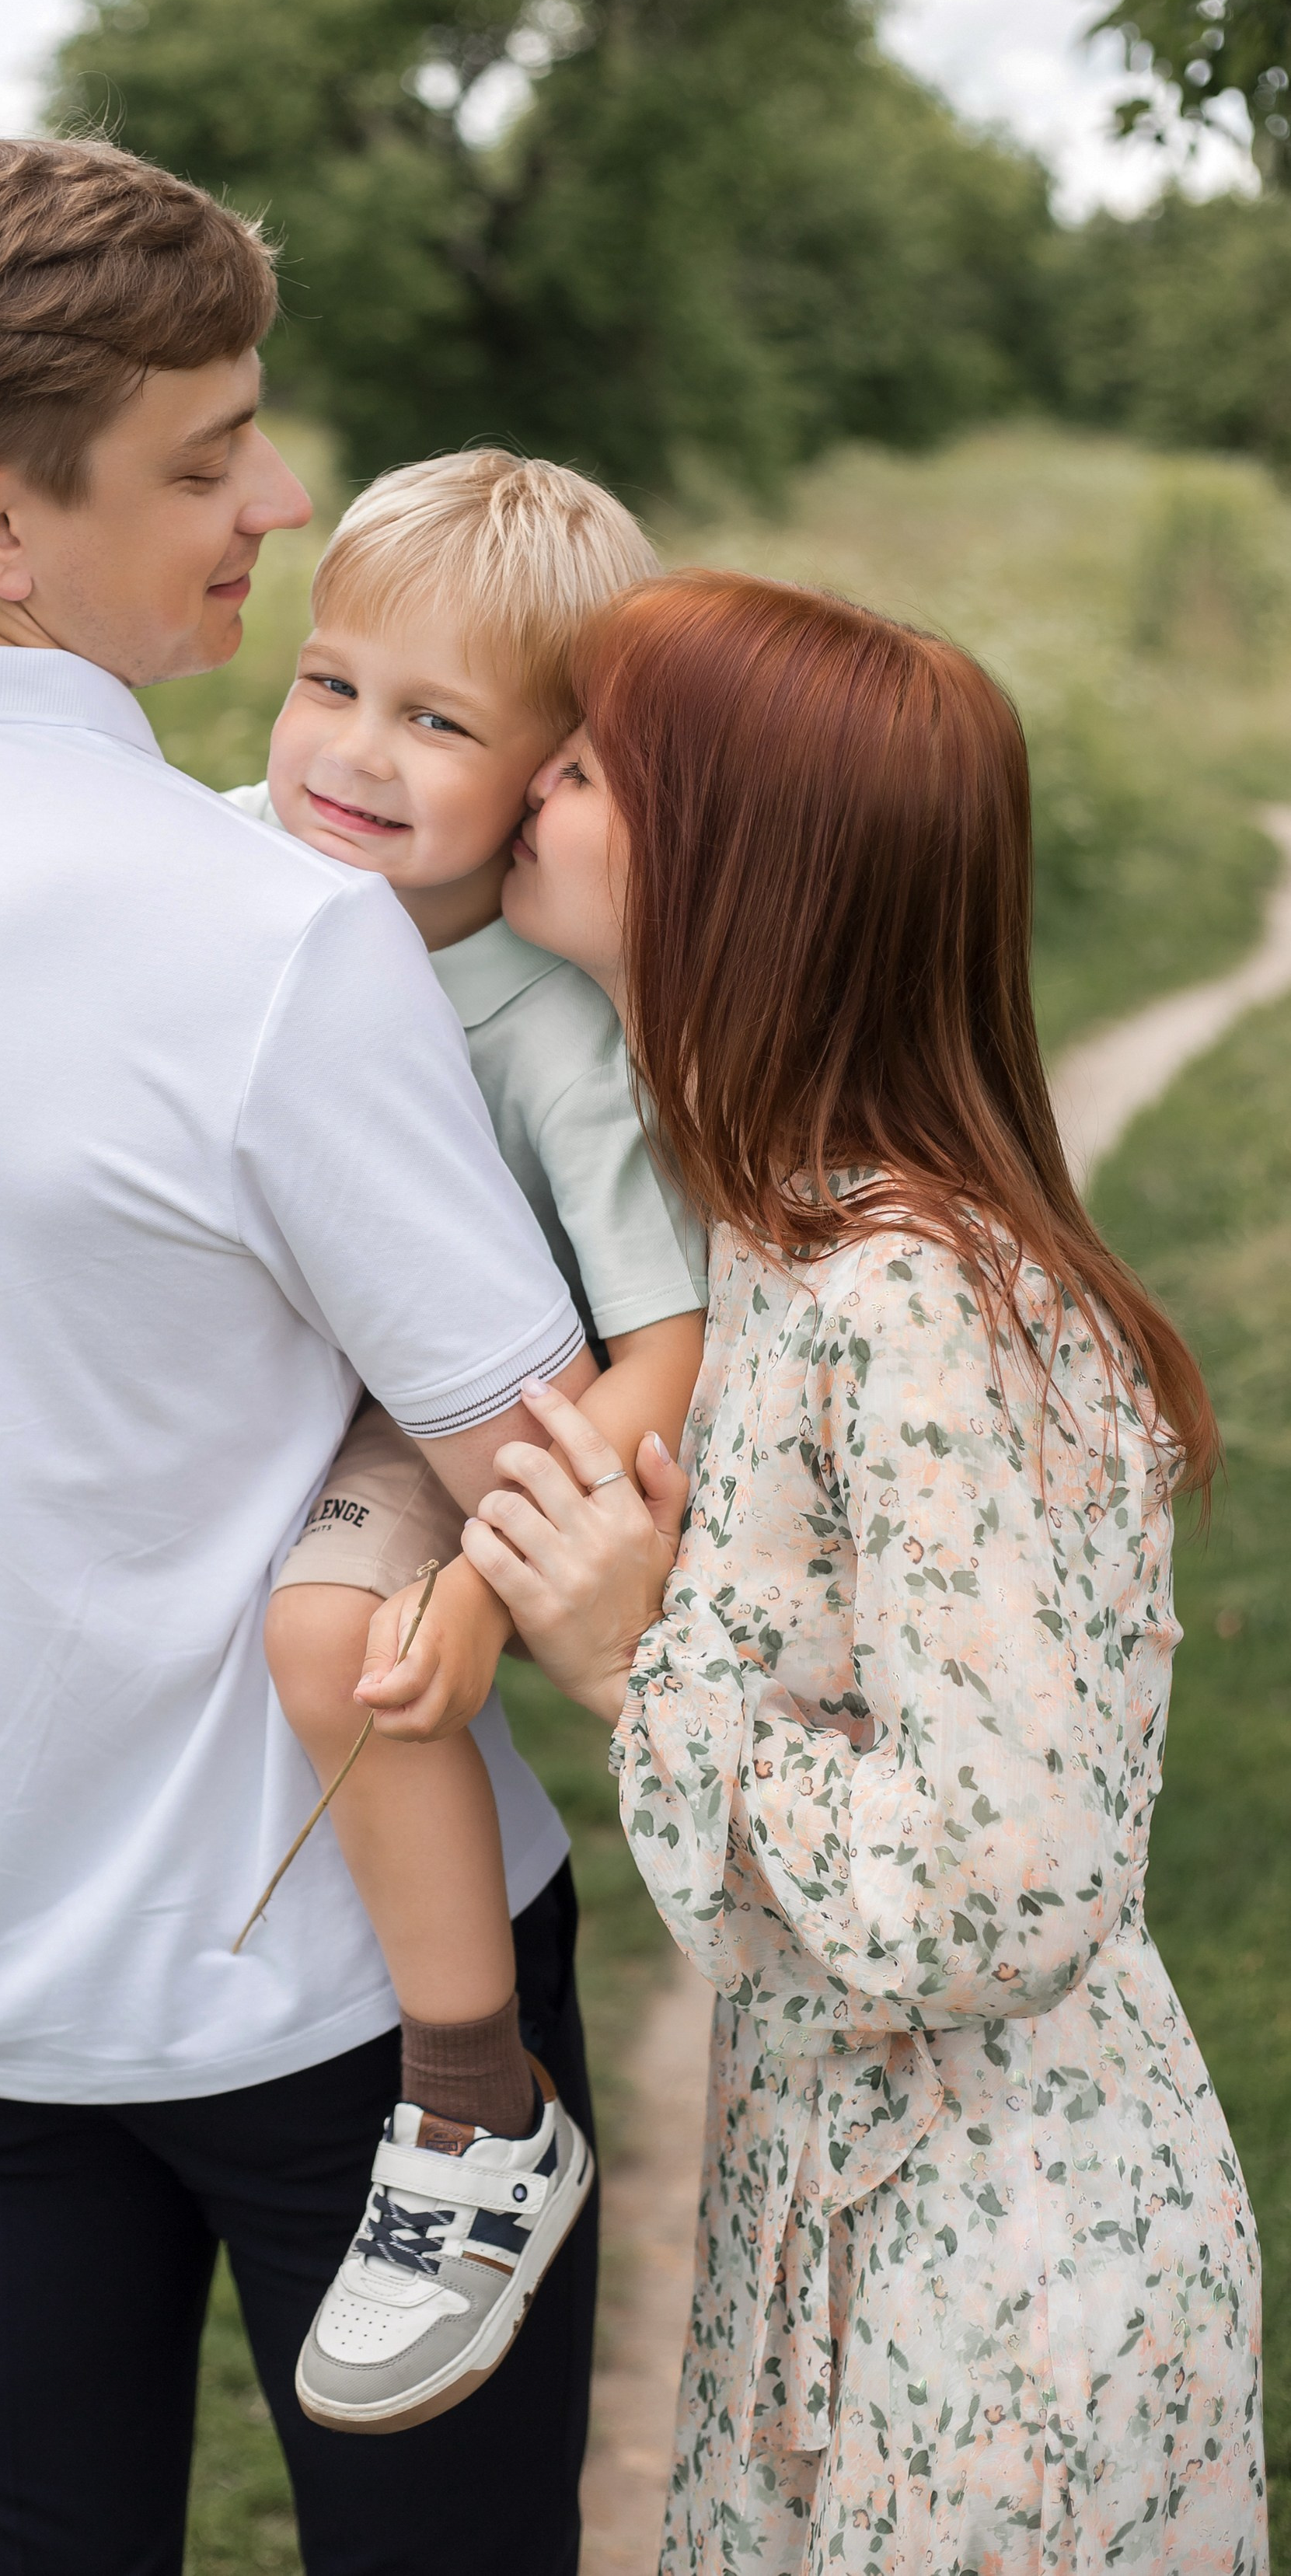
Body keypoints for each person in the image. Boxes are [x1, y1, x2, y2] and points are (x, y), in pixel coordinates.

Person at [0, 134, 613, 2576]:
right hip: (347, 1998)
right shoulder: (271, 945)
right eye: (203, 456)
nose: (276, 494)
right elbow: (546, 1481)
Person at [446, 564, 1268, 2573]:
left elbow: (1005, 1873)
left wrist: (644, 1666)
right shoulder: (771, 1233)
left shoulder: (917, 1301)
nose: (525, 788)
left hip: (999, 2292)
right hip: (844, 2215)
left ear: (743, 865)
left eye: (585, 765)